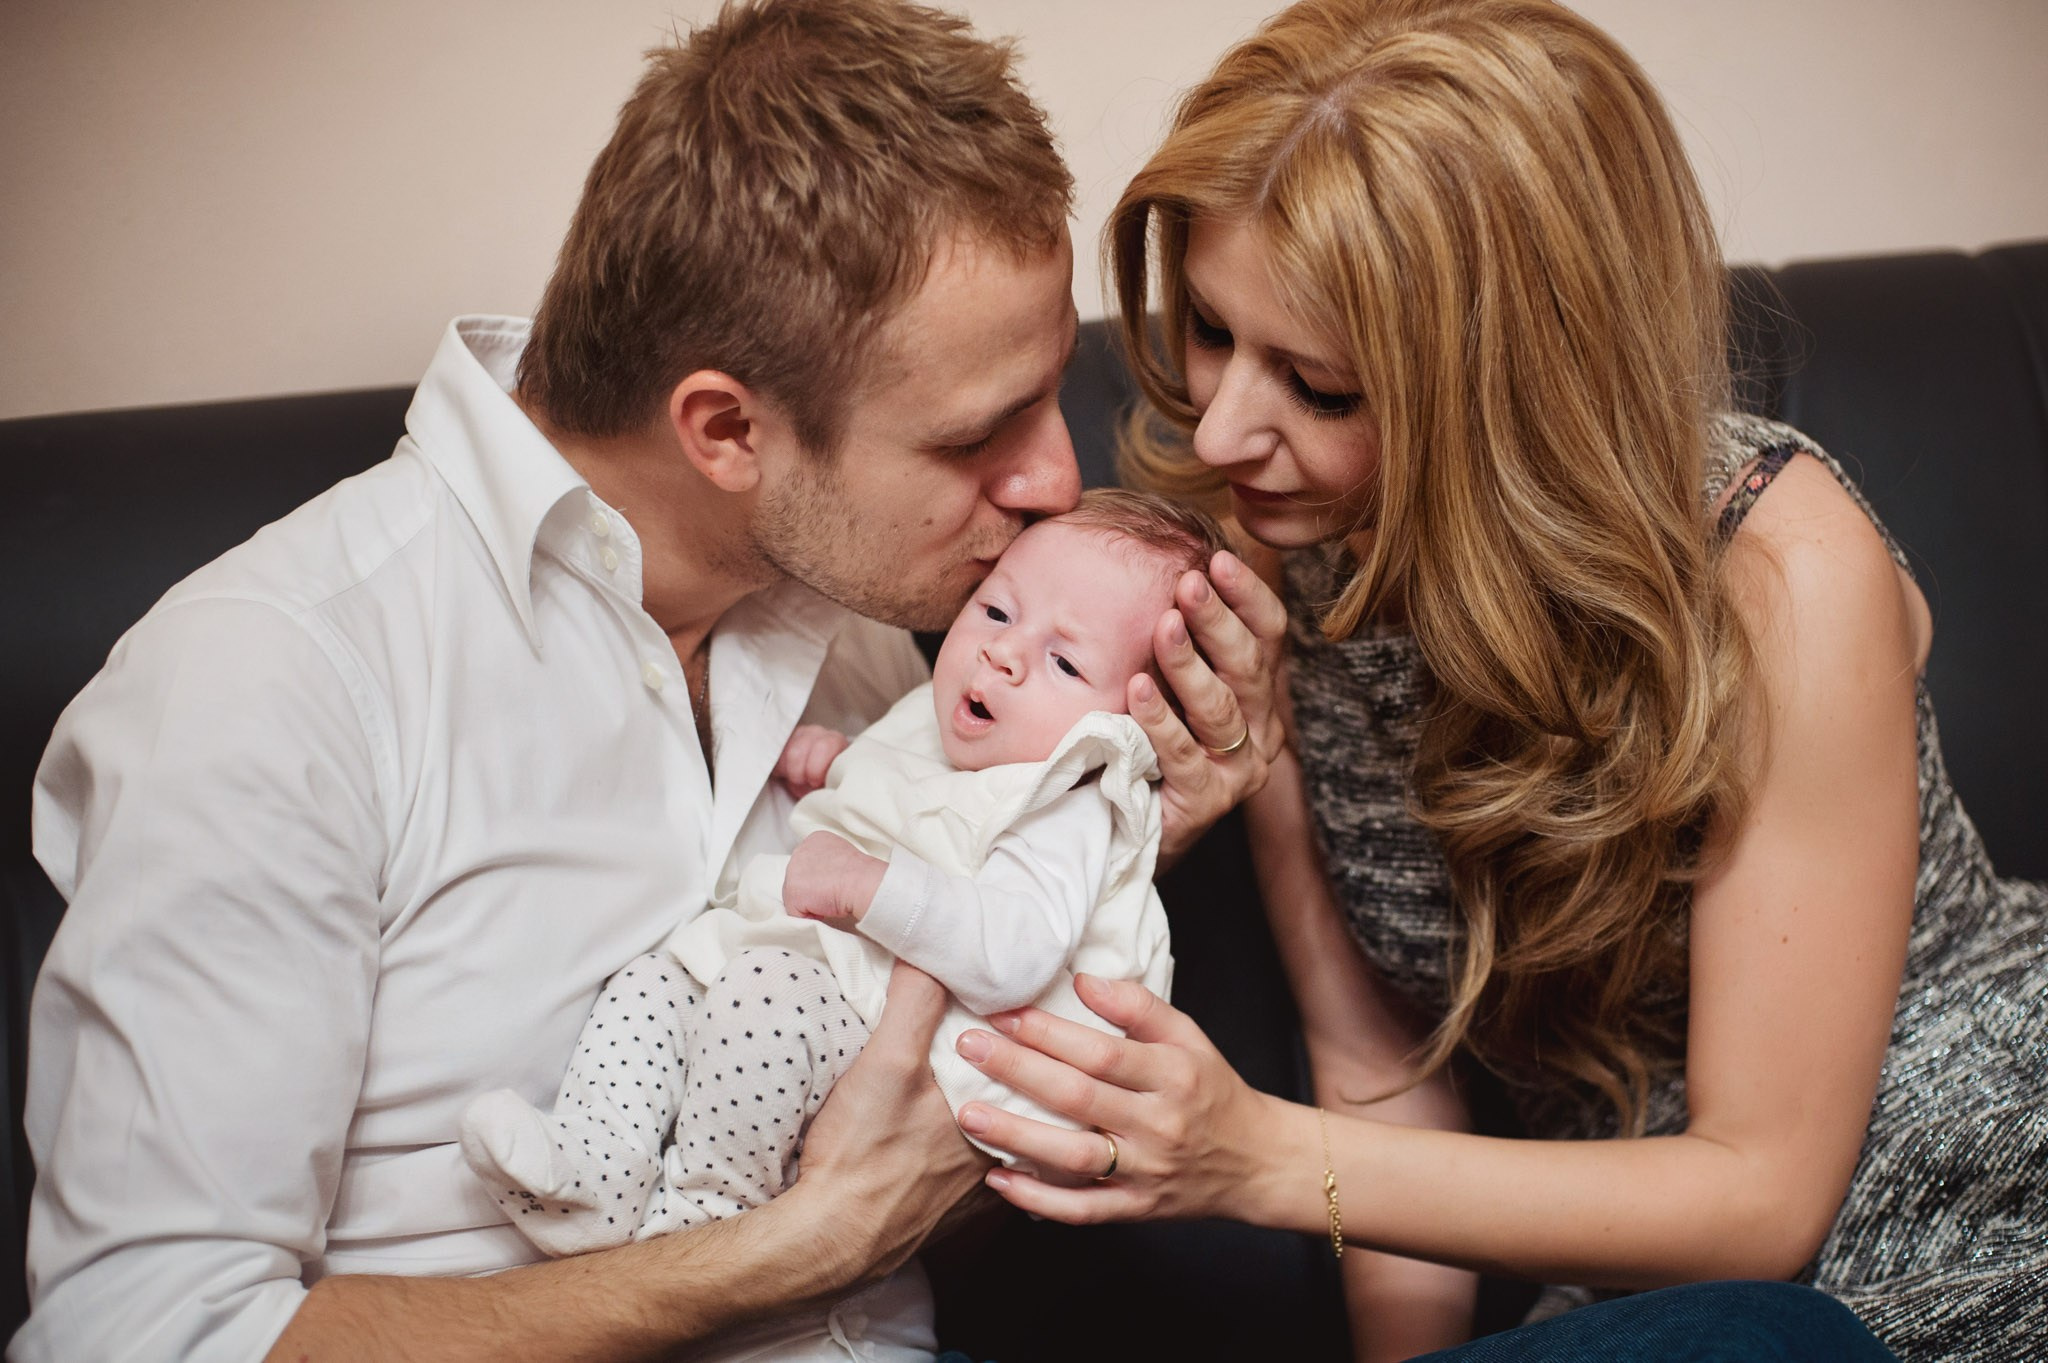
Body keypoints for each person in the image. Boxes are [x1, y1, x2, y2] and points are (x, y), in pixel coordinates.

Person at [16, 4, 1283, 1361]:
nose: (1049, 480)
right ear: (727, 430)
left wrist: (1101, 841)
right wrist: (794, 1249)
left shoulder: (856, 624)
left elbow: (892, 1155)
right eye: (980, 432)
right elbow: (140, 1334)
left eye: (1046, 399)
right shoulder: (273, 681)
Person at [941, 3, 2044, 1362]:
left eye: (1321, 386)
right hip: (1651, 1290)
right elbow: (1380, 1071)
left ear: (1517, 381)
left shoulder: (1776, 568)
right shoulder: (1268, 563)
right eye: (1217, 330)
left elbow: (1762, 1191)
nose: (1221, 426)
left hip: (1974, 1194)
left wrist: (1249, 1153)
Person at [458, 491, 1218, 1291]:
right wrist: (828, 757)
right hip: (803, 958)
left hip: (873, 1010)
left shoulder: (1069, 804)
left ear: (1134, 724)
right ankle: (597, 1161)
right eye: (996, 609)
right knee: (654, 978)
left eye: (1065, 662)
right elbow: (896, 779)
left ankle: (707, 1203)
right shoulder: (944, 719)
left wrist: (870, 886)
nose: (1003, 655)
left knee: (759, 996)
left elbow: (1015, 953)